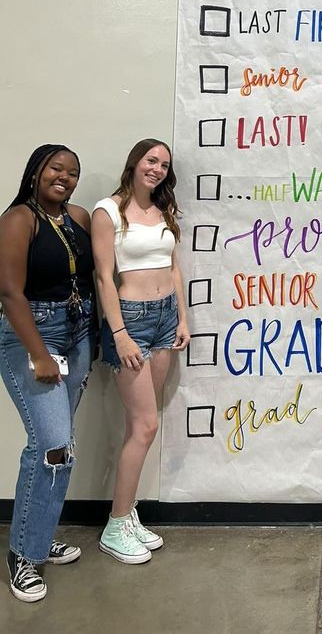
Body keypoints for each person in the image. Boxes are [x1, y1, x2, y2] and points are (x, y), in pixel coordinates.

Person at [0, 144, 97, 602]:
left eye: (73, 171)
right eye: (56, 168)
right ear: (36, 171)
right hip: (30, 334)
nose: (65, 177)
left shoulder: (76, 216)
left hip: (76, 332)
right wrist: (39, 354)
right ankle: (23, 553)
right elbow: (9, 292)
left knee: (63, 447)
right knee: (51, 445)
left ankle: (37, 535)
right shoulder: (20, 219)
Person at [91, 139, 189, 564]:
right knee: (145, 426)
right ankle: (115, 527)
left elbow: (173, 268)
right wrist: (119, 334)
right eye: (152, 160)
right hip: (130, 319)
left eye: (164, 164)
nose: (158, 169)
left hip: (166, 317)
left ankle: (127, 514)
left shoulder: (163, 210)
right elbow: (103, 277)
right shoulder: (107, 211)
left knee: (140, 426)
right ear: (134, 162)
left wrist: (183, 319)